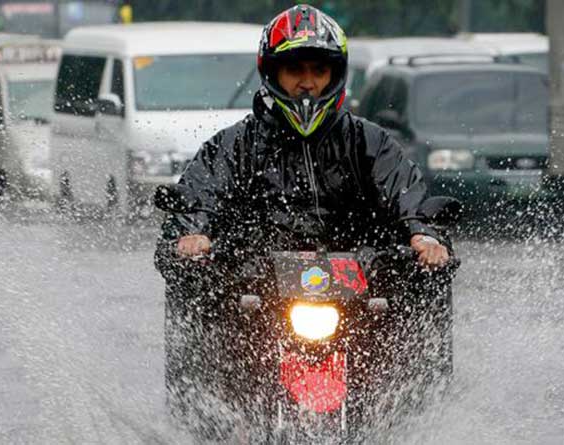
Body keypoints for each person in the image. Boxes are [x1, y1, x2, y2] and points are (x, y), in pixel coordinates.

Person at [154, 4, 456, 434]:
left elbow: (406, 194)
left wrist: (423, 236)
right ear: (272, 73)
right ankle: (220, 428)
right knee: (211, 321)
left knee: (415, 313)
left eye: (319, 69)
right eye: (295, 69)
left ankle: (401, 425)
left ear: (336, 75)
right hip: (256, 293)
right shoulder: (235, 145)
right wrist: (192, 233)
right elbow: (201, 194)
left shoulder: (368, 141)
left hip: (358, 292)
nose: (308, 82)